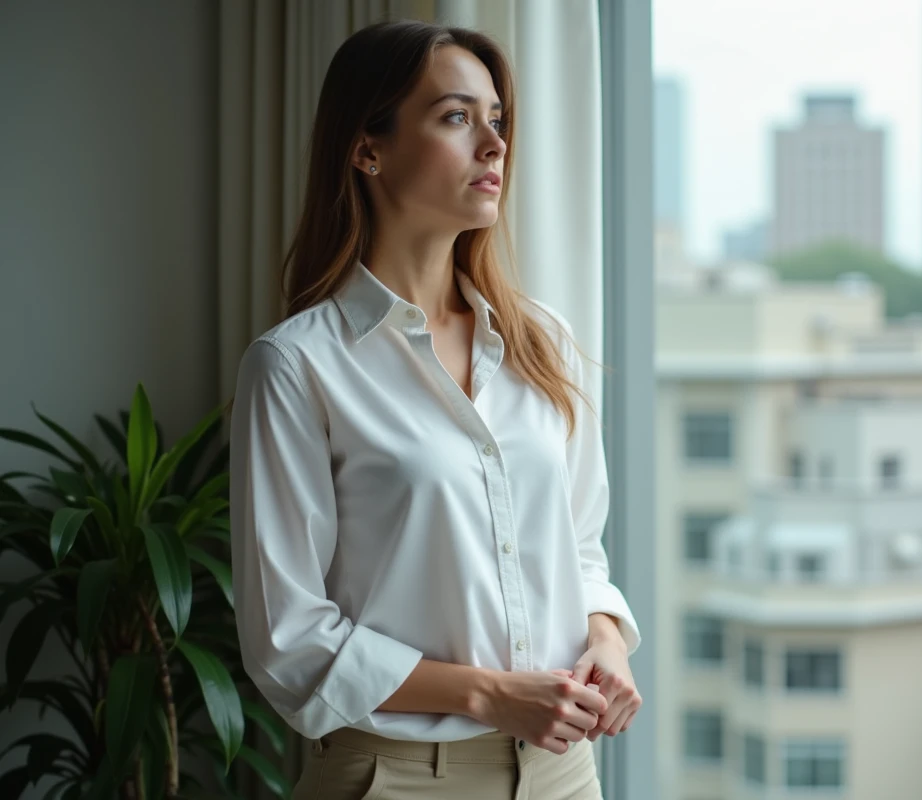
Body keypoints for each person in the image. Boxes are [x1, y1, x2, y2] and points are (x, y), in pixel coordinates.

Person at [228, 20, 642, 800]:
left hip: (563, 774)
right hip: (394, 777)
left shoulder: (541, 340)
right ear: (367, 148)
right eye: (456, 117)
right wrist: (489, 694)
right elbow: (289, 638)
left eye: (498, 120)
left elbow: (580, 549)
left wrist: (607, 641)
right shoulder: (295, 366)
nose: (494, 145)